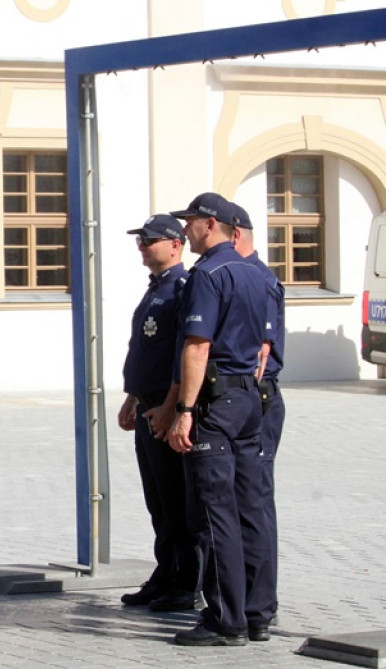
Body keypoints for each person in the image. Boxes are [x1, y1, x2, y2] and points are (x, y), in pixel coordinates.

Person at [166, 192, 268, 647]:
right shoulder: (254, 272)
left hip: (217, 398)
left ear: (210, 224)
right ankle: (256, 611)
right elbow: (263, 348)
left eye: (189, 222)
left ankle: (226, 620)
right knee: (250, 508)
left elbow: (197, 346)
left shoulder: (209, 273)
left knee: (214, 511)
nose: (185, 230)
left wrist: (184, 411)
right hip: (248, 396)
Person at [117, 214, 198, 612]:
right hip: (147, 403)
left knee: (177, 499)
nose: (143, 247)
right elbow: (144, 351)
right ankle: (166, 572)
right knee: (158, 500)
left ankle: (187, 582)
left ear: (175, 244)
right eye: (140, 240)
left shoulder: (182, 289)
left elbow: (182, 357)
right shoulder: (156, 290)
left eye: (149, 240)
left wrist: (171, 407)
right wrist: (132, 396)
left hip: (165, 408)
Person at [230, 202, 285, 642]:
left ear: (234, 234)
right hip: (245, 400)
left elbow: (262, 354)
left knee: (254, 501)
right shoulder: (239, 273)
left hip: (257, 400)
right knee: (240, 500)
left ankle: (260, 606)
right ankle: (241, 597)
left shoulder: (257, 278)